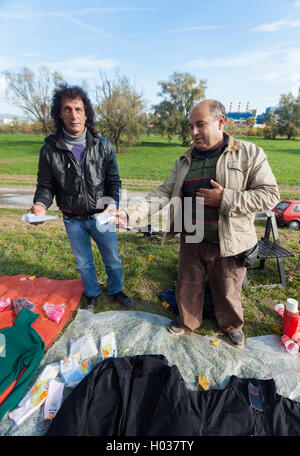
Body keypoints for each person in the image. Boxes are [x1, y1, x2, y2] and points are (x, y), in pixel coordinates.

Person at [117, 99, 279, 347]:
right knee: (188, 284)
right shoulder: (185, 160)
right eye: (191, 126)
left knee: (227, 288)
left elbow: (270, 195)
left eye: (200, 125)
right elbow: (163, 191)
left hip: (229, 240)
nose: (193, 132)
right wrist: (131, 215)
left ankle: (232, 326)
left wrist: (225, 198)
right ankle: (187, 321)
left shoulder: (249, 153)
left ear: (220, 122)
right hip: (191, 236)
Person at [30, 84, 134, 311]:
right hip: (72, 218)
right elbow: (46, 186)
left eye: (78, 109)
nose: (73, 115)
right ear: (60, 113)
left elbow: (114, 182)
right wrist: (40, 205)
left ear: (86, 113)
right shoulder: (49, 149)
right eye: (67, 109)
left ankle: (116, 289)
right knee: (84, 263)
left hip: (102, 216)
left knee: (113, 259)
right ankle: (92, 293)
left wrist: (112, 205)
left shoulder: (104, 146)